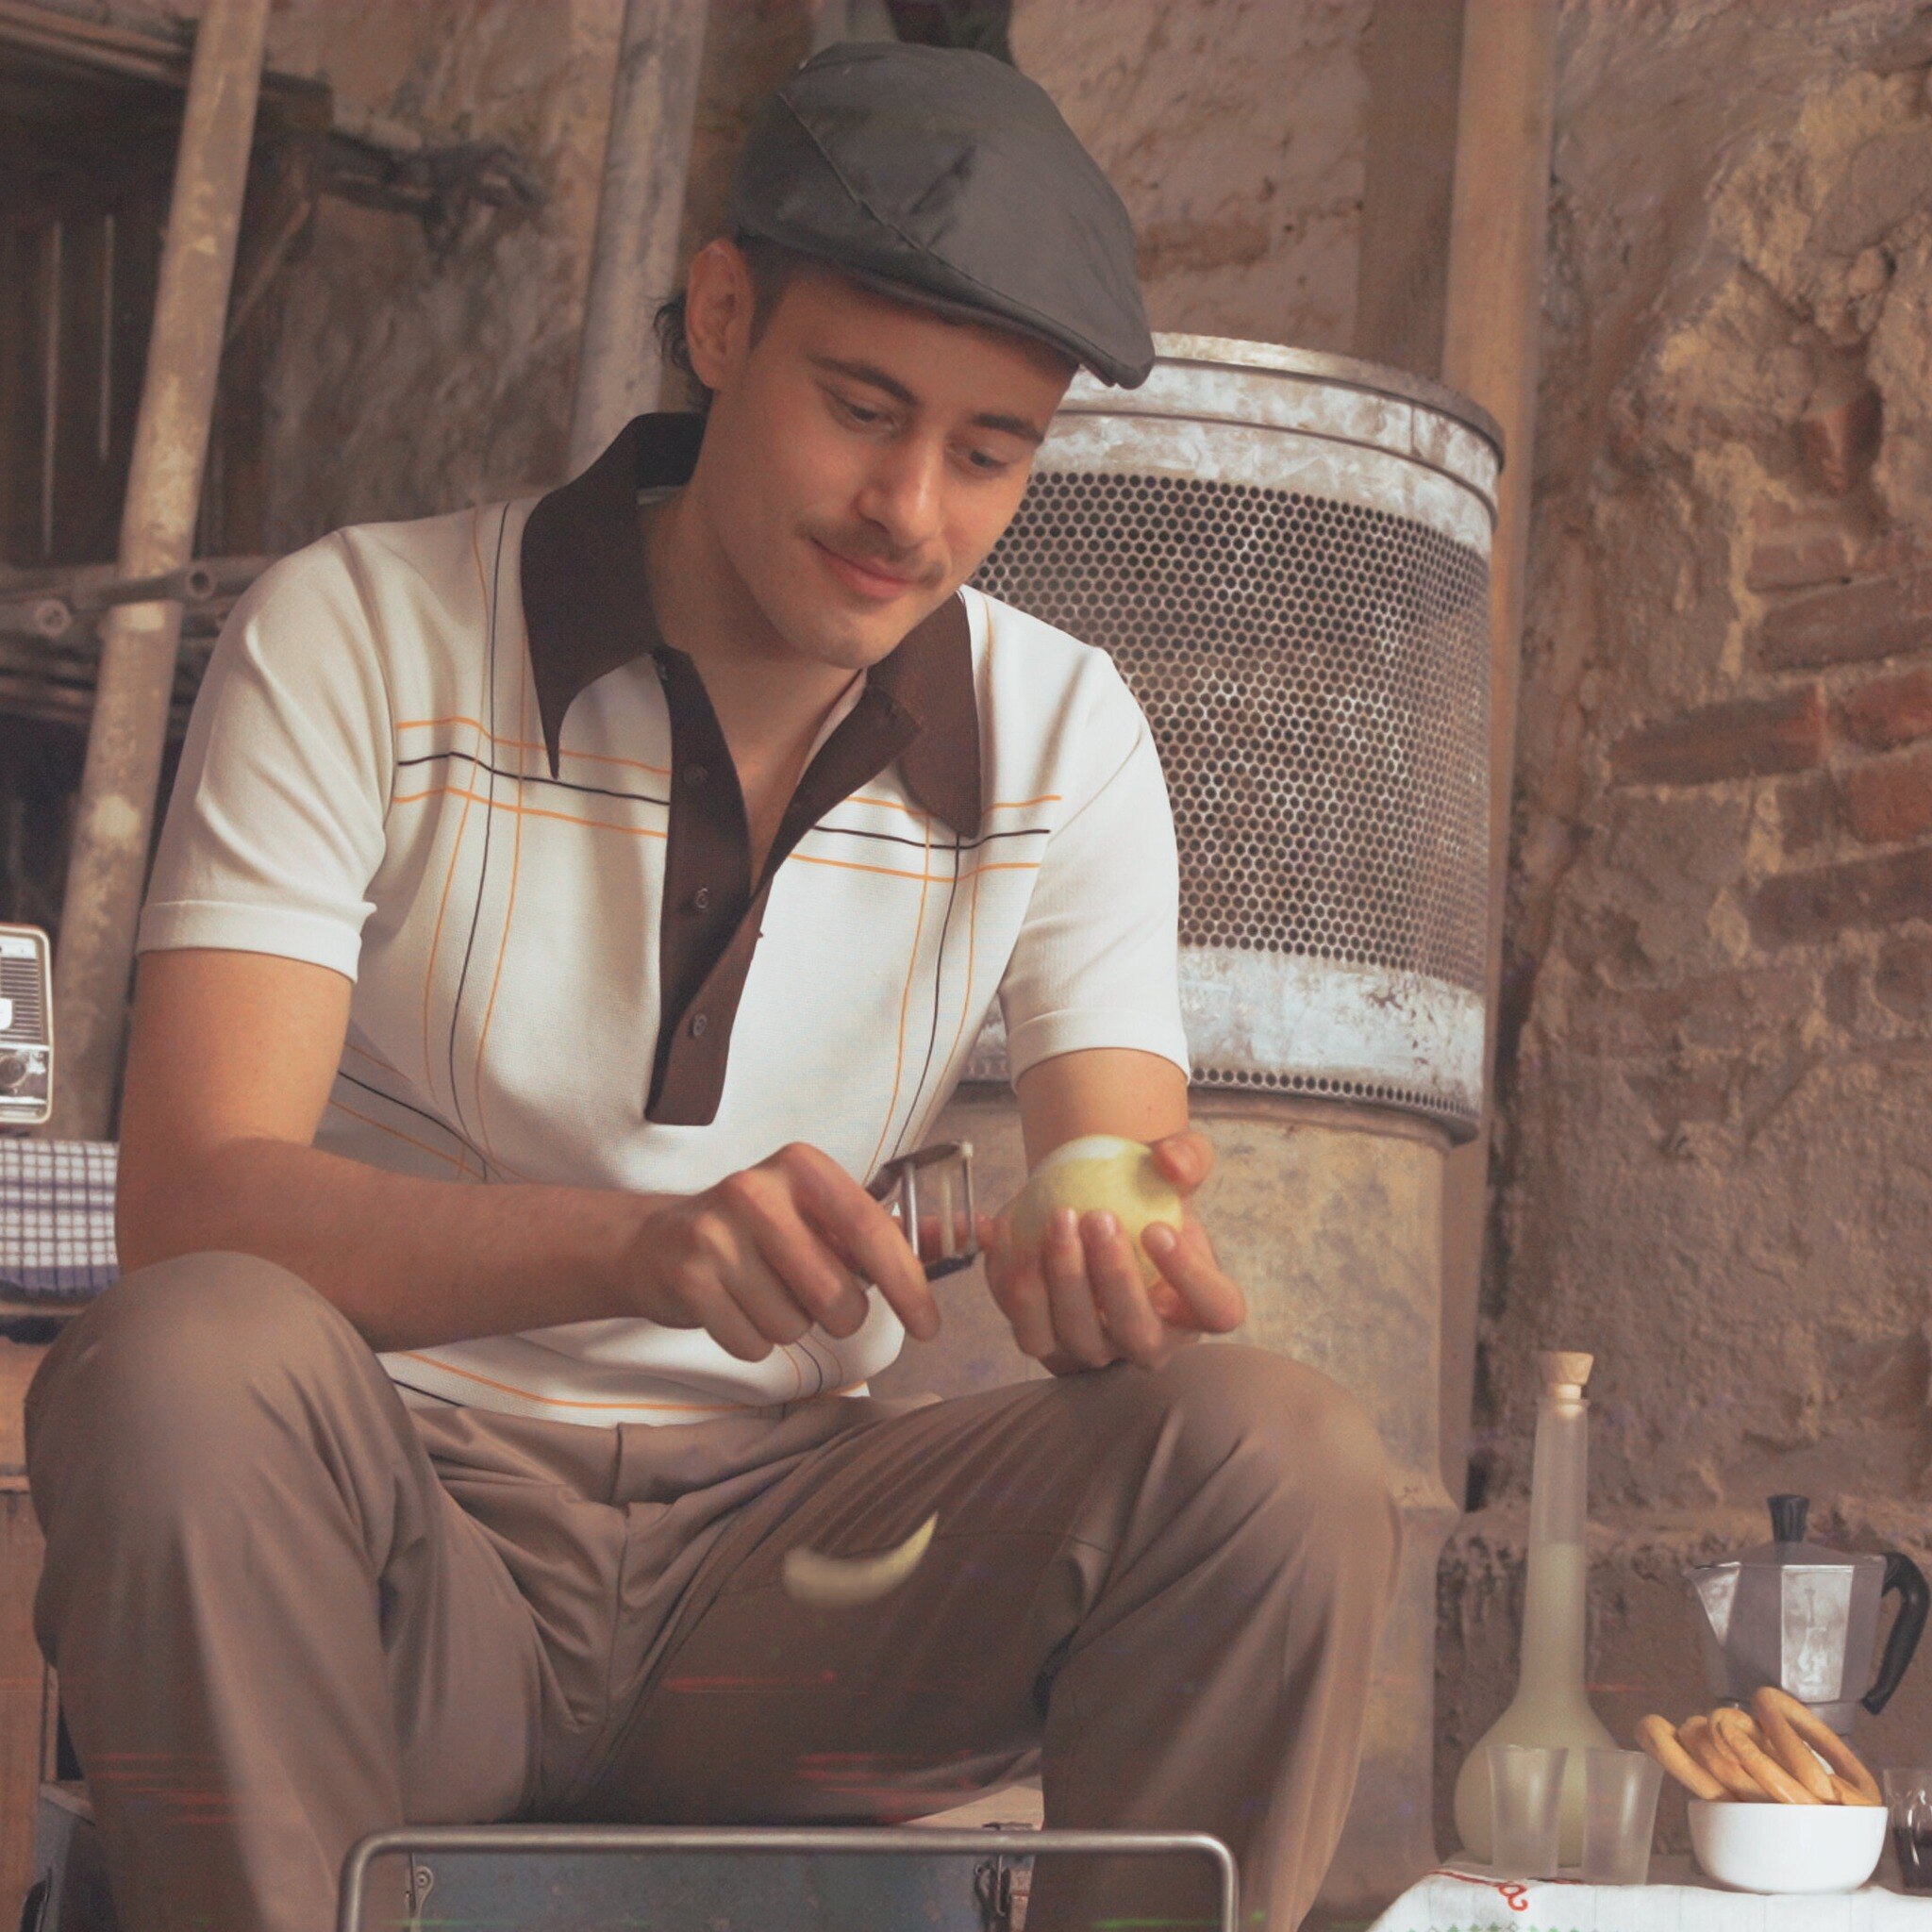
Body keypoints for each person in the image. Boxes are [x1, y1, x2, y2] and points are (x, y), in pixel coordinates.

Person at [25, 40, 1398, 1932]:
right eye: (861, 406)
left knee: (1281, 1459)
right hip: (396, 1547)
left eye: (988, 453)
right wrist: (632, 1248)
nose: (909, 506)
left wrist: (1107, 1253)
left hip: (797, 1596)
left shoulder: (1068, 732)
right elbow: (192, 1197)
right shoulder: (358, 632)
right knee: (176, 1367)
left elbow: (1116, 1163)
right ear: (722, 316)